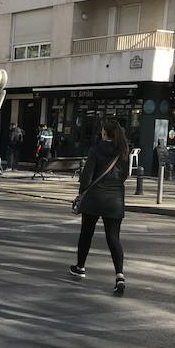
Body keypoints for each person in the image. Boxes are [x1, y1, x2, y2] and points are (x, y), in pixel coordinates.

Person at [69, 120, 129, 296]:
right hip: (115, 199)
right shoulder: (124, 151)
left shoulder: (95, 150)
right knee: (113, 237)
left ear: (104, 133)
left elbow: (86, 178)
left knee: (86, 233)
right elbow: (125, 175)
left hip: (95, 198)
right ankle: (119, 275)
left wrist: (81, 195)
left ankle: (80, 266)